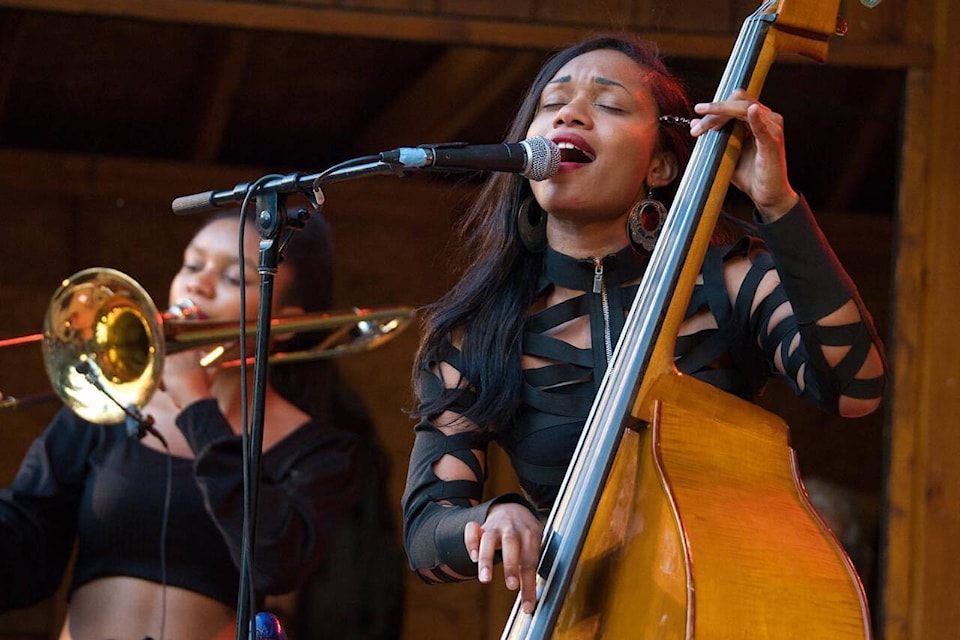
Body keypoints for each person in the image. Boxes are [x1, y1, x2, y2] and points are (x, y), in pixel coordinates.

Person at [400, 33, 887, 617]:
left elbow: (855, 389)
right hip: (574, 621)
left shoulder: (728, 281)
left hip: (721, 608)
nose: (572, 114)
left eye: (608, 105)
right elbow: (427, 532)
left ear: (660, 163)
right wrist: (491, 517)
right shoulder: (479, 332)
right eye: (553, 105)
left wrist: (778, 204)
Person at [0, 208, 363, 640]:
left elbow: (273, 561)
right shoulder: (109, 404)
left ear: (283, 324)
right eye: (192, 265)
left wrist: (196, 402)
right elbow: (27, 547)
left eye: (234, 278)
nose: (197, 284)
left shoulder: (319, 449)